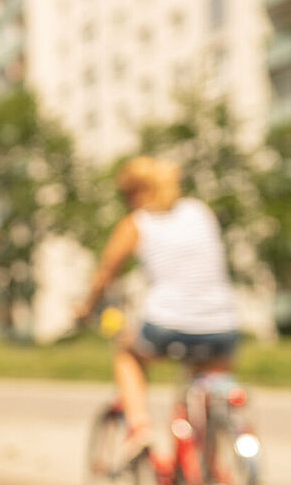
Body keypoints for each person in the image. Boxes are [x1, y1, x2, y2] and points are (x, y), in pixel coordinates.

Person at [76, 156, 240, 460]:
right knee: (206, 394)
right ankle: (211, 468)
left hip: (167, 324)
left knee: (127, 354)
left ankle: (139, 428)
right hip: (223, 325)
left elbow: (104, 275)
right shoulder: (200, 212)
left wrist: (85, 308)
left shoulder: (137, 222)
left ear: (137, 191)